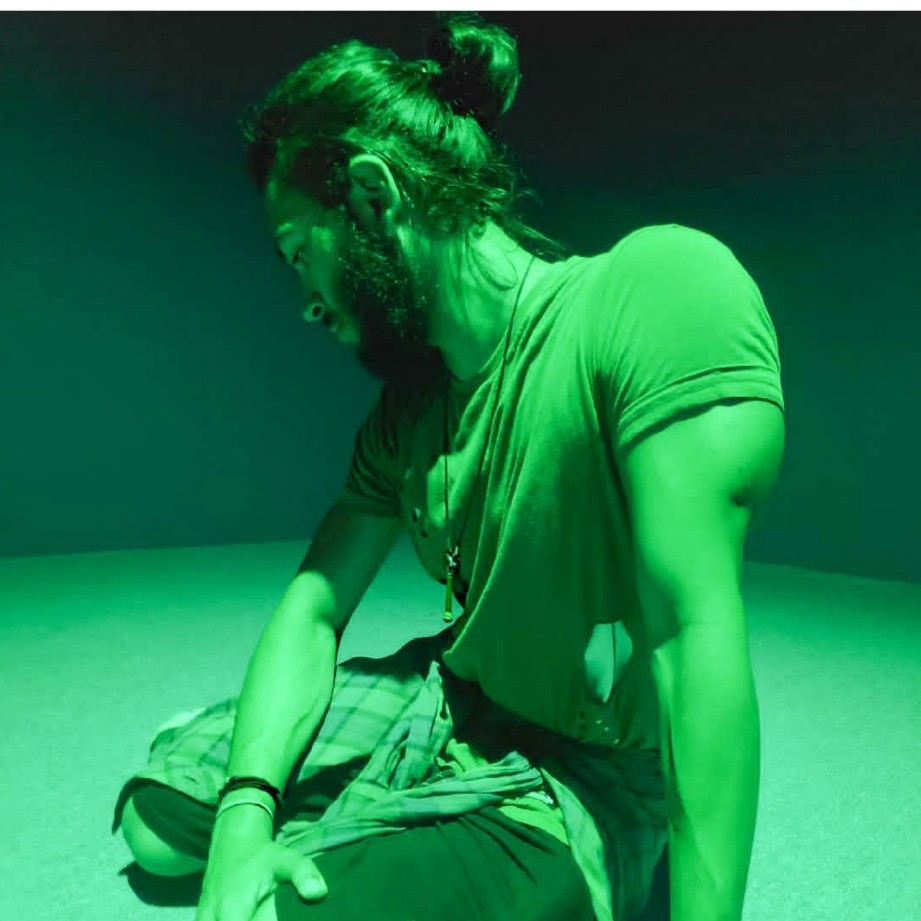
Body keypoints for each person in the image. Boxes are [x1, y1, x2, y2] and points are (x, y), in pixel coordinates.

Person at [112, 12, 786, 921]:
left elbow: (689, 637)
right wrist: (243, 814)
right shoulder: (410, 408)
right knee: (157, 829)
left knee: (267, 913)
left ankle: (383, 825)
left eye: (301, 253)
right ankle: (336, 801)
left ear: (372, 197)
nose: (304, 301)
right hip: (451, 696)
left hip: (580, 769)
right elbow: (315, 606)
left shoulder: (653, 295)